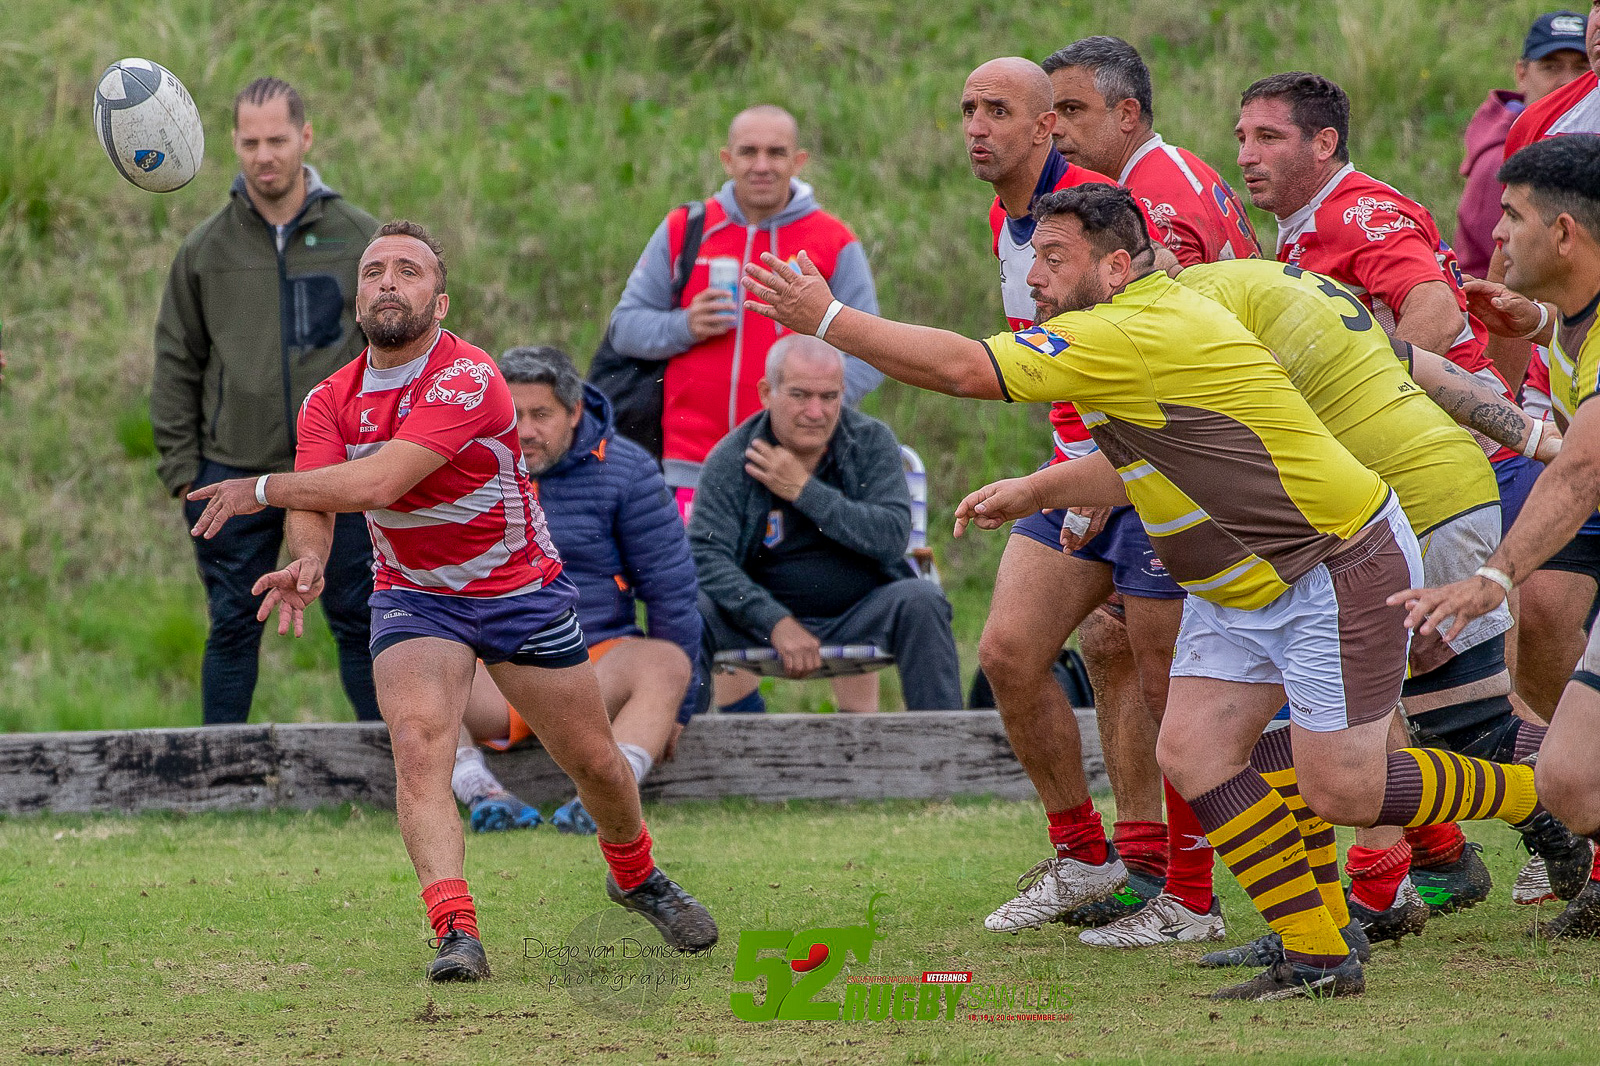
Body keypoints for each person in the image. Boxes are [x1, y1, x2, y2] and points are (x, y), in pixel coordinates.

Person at [742, 183, 1556, 1001]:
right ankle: (1316, 952)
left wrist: (827, 318)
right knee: (1196, 751)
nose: (1036, 282)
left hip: (1331, 564)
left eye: (1055, 262)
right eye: (1033, 262)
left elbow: (962, 367)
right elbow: (1164, 451)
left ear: (1117, 264)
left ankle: (1551, 790)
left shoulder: (1125, 328)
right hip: (1246, 580)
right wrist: (1037, 490)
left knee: (1339, 785)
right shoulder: (1153, 316)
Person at [186, 221, 716, 980]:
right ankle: (455, 931)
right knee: (418, 748)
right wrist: (306, 559)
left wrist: (258, 488)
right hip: (415, 598)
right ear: (358, 296)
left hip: (517, 592)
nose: (388, 282)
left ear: (440, 301)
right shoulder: (328, 401)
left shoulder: (468, 377)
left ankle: (635, 873)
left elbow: (374, 484)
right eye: (373, 271)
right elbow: (320, 497)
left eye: (408, 270)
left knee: (596, 764)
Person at [1083, 258, 1588, 960]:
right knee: (1304, 733)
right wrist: (1540, 442)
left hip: (1404, 506)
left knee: (1462, 730)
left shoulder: (1198, 316)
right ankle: (1334, 921)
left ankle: (1543, 805)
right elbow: (1414, 362)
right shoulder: (1272, 285)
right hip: (1400, 503)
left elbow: (1423, 330)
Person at [1236, 70, 1539, 910]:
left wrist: (1369, 422)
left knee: (1464, 710)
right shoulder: (1301, 232)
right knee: (1392, 692)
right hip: (1403, 482)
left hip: (1442, 466)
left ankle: (1559, 830)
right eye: (1241, 138)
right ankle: (1424, 861)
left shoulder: (1356, 211)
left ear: (1324, 144)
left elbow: (1436, 316)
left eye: (1268, 138)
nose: (1247, 156)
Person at [959, 55, 1172, 927]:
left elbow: (1154, 341)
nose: (977, 125)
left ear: (1048, 126)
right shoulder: (1008, 217)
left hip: (1151, 464)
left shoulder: (1100, 209)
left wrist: (1100, 473)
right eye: (969, 109)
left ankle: (1181, 882)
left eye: (999, 110)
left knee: (1167, 674)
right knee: (1010, 652)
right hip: (1075, 462)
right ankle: (1087, 857)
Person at [1397, 135, 1600, 938]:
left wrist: (1497, 577)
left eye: (1510, 217)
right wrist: (1544, 319)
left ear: (1563, 233)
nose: (1493, 235)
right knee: (1569, 782)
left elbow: (1581, 471)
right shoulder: (1577, 319)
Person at [151, 77, 380, 726]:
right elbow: (177, 362)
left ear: (305, 138)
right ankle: (218, 783)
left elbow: (395, 357)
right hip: (231, 469)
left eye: (277, 139)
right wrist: (181, 470)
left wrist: (385, 456)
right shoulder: (203, 251)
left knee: (361, 619)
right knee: (231, 624)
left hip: (338, 470)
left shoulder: (359, 238)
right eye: (250, 142)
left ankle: (394, 769)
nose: (264, 155)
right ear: (233, 145)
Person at [447, 346, 701, 836]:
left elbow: (672, 592)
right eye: (510, 414)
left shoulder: (627, 470)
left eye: (540, 414)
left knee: (666, 661)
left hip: (594, 669)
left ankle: (602, 800)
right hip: (494, 672)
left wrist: (678, 708)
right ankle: (482, 792)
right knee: (407, 661)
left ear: (574, 411)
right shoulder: (455, 468)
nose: (523, 431)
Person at [607, 105, 881, 518]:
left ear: (798, 161)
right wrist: (684, 326)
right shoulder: (687, 227)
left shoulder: (833, 240)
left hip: (790, 468)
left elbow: (872, 352)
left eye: (776, 153)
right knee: (695, 582)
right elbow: (624, 328)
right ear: (727, 159)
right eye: (749, 152)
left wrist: (812, 417)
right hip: (688, 466)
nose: (762, 165)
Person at [689, 334, 962, 714]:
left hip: (859, 612)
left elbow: (891, 536)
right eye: (800, 395)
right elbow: (706, 557)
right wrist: (775, 622)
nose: (816, 412)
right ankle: (680, 750)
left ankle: (946, 752)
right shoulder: (732, 458)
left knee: (923, 601)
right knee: (688, 611)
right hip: (757, 618)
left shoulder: (871, 442)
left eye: (829, 397)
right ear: (767, 393)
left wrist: (804, 491)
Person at [1458, 11, 1589, 280]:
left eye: (1581, 67)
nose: (1567, 80)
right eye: (1550, 66)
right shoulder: (1498, 162)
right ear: (1521, 73)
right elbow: (1500, 276)